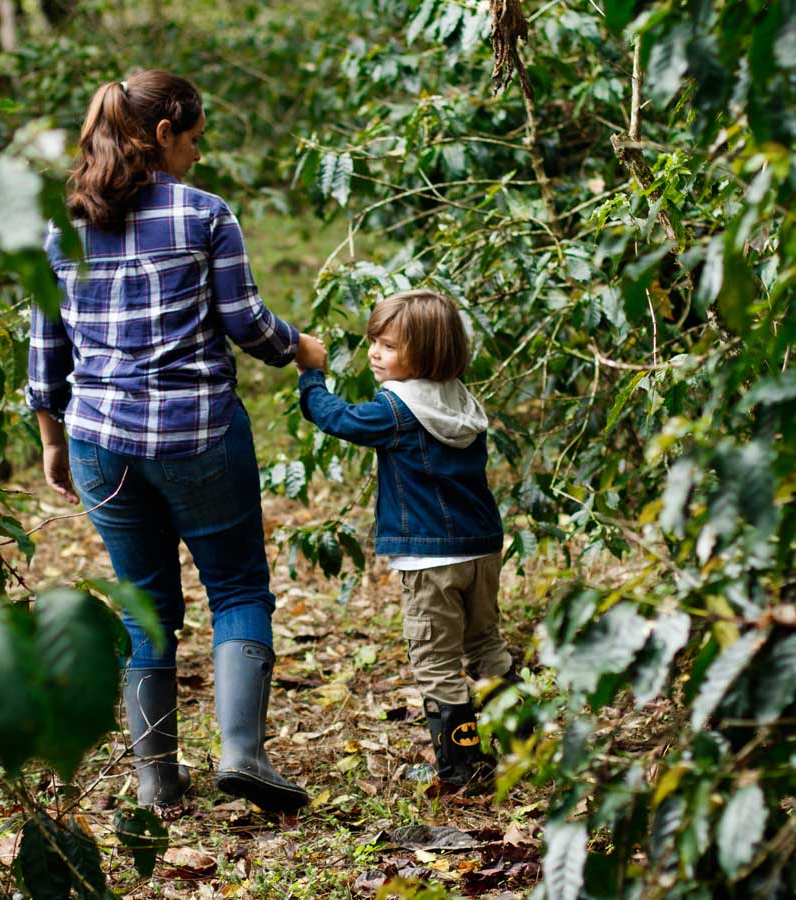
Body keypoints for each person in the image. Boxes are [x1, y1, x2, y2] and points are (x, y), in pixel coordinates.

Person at [27, 70, 325, 813]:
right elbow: (248, 324)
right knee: (237, 588)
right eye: (193, 139)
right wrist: (303, 349)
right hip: (199, 434)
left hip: (100, 442)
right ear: (163, 134)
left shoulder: (58, 229)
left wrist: (51, 442)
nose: (197, 154)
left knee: (146, 608)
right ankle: (243, 755)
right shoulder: (205, 215)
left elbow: (45, 353)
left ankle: (157, 780)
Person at [296, 290, 514, 787]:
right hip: (481, 548)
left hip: (430, 561)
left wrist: (311, 374)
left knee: (436, 661)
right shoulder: (460, 399)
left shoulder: (397, 409)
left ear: (427, 353)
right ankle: (527, 737)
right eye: (374, 341)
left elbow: (335, 418)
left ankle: (462, 768)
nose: (374, 352)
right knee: (486, 643)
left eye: (389, 346)